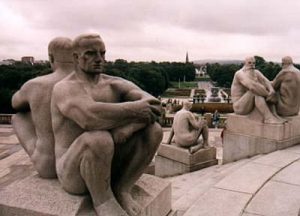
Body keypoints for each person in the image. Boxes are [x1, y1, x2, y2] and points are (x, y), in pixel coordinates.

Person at [51, 33, 162, 216]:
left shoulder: (113, 83)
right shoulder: (65, 88)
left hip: (108, 160)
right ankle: (104, 201)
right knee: (98, 138)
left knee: (154, 131)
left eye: (102, 53)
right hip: (72, 171)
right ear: (76, 57)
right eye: (91, 53)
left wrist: (129, 128)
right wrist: (134, 111)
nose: (99, 59)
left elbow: (155, 106)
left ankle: (122, 188)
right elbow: (89, 117)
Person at [11, 37, 74, 178]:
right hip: (75, 163)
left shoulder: (35, 85)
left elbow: (15, 104)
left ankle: (42, 152)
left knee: (19, 117)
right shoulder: (89, 82)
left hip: (47, 165)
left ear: (51, 57)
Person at [231, 56, 283, 124]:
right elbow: (252, 86)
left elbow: (265, 81)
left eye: (253, 63)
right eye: (249, 63)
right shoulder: (239, 74)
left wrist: (271, 90)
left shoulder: (256, 72)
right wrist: (268, 95)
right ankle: (268, 118)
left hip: (249, 104)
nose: (252, 65)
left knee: (263, 89)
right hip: (239, 107)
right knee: (255, 92)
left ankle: (274, 115)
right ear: (245, 63)